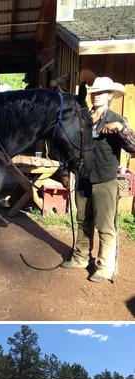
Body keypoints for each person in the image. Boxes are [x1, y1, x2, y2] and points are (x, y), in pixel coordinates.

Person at [61, 76, 135, 282]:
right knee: (83, 220)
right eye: (94, 92)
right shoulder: (83, 118)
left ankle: (105, 266)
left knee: (105, 225)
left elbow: (133, 147)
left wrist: (120, 130)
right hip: (83, 176)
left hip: (105, 179)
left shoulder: (117, 120)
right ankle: (81, 258)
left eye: (101, 92)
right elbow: (71, 147)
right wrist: (66, 171)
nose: (95, 96)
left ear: (110, 95)